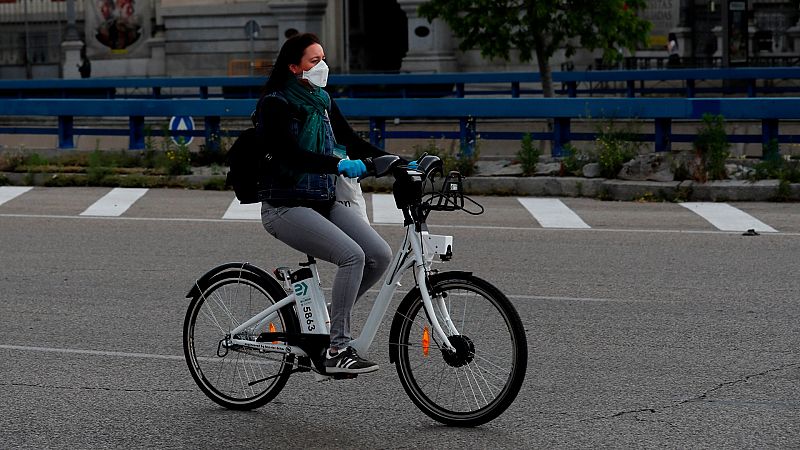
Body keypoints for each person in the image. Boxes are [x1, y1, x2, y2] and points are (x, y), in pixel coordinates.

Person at [256, 33, 396, 375]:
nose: (323, 67)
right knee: (353, 257)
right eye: (313, 61)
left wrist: (397, 161)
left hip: (322, 198)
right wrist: (337, 164)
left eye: (323, 59)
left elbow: (349, 140)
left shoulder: (321, 100)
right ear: (293, 67)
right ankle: (336, 348)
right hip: (285, 206)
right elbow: (291, 154)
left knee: (379, 256)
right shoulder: (275, 103)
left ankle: (325, 323)